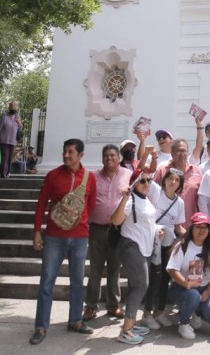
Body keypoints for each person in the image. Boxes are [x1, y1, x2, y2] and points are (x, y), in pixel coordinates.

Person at [30, 138, 97, 345]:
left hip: (79, 238)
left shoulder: (90, 178)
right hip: (54, 237)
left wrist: (80, 223)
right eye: (64, 151)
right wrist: (37, 231)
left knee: (77, 282)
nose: (66, 155)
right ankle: (41, 326)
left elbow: (91, 205)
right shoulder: (52, 176)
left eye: (71, 152)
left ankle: (76, 320)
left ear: (80, 155)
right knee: (47, 280)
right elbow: (41, 204)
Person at [83, 144, 131, 323]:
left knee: (114, 269)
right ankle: (91, 306)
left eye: (112, 155)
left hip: (117, 230)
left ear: (119, 158)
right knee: (95, 269)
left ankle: (113, 305)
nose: (109, 158)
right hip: (96, 228)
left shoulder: (127, 175)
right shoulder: (94, 176)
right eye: (106, 156)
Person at [112, 168, 159, 345]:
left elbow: (147, 222)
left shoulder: (145, 199)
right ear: (134, 182)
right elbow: (115, 221)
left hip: (144, 247)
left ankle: (131, 324)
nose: (147, 184)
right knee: (141, 285)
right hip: (131, 245)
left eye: (149, 181)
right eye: (142, 181)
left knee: (135, 285)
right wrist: (124, 197)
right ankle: (126, 330)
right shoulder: (130, 200)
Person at [140, 167, 187, 330]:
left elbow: (178, 227)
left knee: (166, 277)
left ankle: (159, 311)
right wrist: (149, 156)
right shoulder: (156, 191)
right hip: (151, 240)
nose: (173, 182)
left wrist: (186, 237)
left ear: (180, 184)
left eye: (177, 180)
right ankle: (147, 313)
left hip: (168, 243)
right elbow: (143, 174)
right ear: (165, 179)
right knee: (155, 276)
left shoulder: (179, 202)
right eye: (170, 178)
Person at [166, 212, 210, 340]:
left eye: (205, 227)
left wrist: (208, 291)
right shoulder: (182, 246)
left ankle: (197, 312)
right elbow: (172, 270)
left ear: (209, 230)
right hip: (182, 289)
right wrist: (187, 284)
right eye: (198, 227)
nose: (201, 230)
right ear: (192, 228)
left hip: (204, 288)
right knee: (193, 295)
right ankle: (184, 324)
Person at [152, 138, 203, 223]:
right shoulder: (162, 170)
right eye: (178, 151)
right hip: (166, 224)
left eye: (184, 151)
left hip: (190, 223)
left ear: (188, 153)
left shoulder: (196, 171)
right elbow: (153, 194)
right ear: (172, 153)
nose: (182, 154)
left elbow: (201, 199)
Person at [0, 102, 22, 178]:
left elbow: (20, 128)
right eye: (12, 107)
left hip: (13, 141)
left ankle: (7, 172)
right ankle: (3, 173)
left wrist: (19, 123)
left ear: (17, 108)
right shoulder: (4, 116)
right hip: (4, 139)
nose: (13, 108)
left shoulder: (18, 117)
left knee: (10, 158)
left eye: (15, 107)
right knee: (5, 156)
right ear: (9, 107)